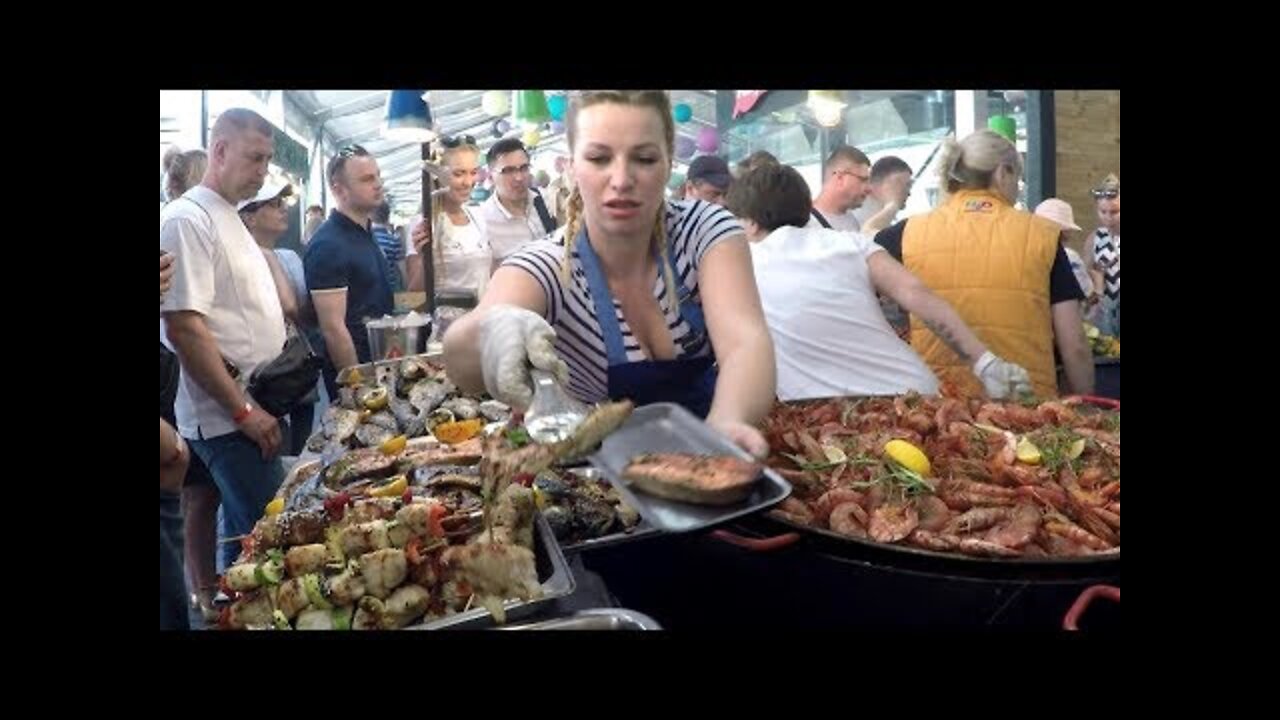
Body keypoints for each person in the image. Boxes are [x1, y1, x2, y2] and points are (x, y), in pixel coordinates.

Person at [443, 91, 776, 457]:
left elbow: (745, 342)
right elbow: (461, 358)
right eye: (599, 158)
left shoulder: (704, 231)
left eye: (644, 158)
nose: (621, 179)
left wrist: (727, 425)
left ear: (668, 162)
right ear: (571, 167)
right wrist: (493, 331)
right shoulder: (551, 265)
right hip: (602, 485)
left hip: (715, 450)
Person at [727, 162, 1029, 400]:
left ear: (749, 221)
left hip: (825, 420)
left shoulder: (741, 266)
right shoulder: (850, 244)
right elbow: (917, 294)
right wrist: (986, 363)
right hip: (915, 397)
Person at [160, 108, 288, 571]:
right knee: (273, 541)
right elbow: (184, 328)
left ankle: (219, 608)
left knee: (246, 538)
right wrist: (242, 410)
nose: (262, 172)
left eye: (267, 160)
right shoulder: (187, 219)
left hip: (254, 404)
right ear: (219, 151)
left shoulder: (227, 214)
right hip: (228, 419)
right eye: (255, 159)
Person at [874, 130, 1093, 398]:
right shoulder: (1043, 235)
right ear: (1003, 173)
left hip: (936, 409)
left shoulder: (905, 233)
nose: (1017, 188)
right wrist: (1085, 404)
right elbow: (1075, 345)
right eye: (1018, 179)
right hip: (1026, 407)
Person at [304, 144, 395, 396]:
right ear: (338, 188)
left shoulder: (366, 233)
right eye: (367, 179)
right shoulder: (328, 245)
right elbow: (333, 328)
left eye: (378, 176)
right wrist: (360, 388)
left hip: (381, 366)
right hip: (357, 381)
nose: (378, 184)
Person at [238, 181, 317, 455]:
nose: (283, 209)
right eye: (273, 204)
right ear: (248, 216)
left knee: (304, 444)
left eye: (283, 203)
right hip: (269, 375)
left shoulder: (289, 257)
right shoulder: (249, 259)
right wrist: (268, 257)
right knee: (281, 450)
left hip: (295, 367)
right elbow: (291, 305)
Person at [406, 135, 492, 301]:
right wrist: (425, 257)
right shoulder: (424, 222)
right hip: (447, 322)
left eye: (473, 172)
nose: (468, 182)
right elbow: (414, 294)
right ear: (437, 175)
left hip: (484, 318)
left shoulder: (477, 216)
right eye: (459, 174)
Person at [477, 138, 559, 265]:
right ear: (491, 176)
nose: (519, 177)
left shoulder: (546, 200)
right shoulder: (483, 222)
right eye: (508, 171)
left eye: (524, 168)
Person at [1034, 198, 1101, 322]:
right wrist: (1098, 284)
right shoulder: (1069, 257)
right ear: (1065, 231)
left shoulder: (1027, 255)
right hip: (1066, 327)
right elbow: (1088, 301)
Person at [1084, 173, 1120, 337]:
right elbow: (1085, 276)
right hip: (1106, 311)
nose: (1108, 217)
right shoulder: (1095, 238)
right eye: (1103, 211)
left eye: (1115, 212)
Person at [808, 146, 872, 232]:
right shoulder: (806, 223)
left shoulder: (854, 220)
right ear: (840, 178)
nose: (869, 189)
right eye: (862, 180)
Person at [853, 155, 913, 234]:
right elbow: (869, 237)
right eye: (904, 186)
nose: (908, 193)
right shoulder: (855, 220)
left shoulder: (883, 217)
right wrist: (893, 204)